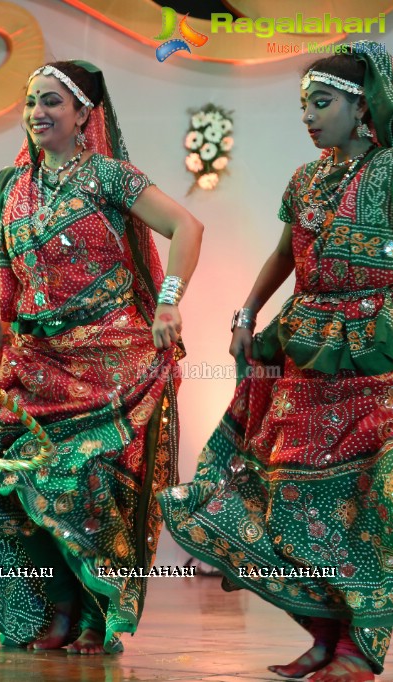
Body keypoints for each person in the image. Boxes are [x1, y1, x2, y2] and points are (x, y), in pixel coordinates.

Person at [0, 60, 204, 655]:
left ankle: (100, 612)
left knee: (79, 479)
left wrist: (168, 305)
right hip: (33, 362)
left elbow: (187, 226)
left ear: (83, 114)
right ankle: (51, 600)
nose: (37, 113)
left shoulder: (109, 176)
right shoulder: (12, 186)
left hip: (111, 361)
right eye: (29, 103)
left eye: (51, 101)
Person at [159, 42, 393, 681]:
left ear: (360, 103)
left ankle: (358, 649)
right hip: (304, 351)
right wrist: (246, 312)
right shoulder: (306, 178)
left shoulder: (392, 171)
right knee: (285, 492)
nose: (309, 117)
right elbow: (286, 252)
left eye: (321, 103)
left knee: (358, 502)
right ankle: (322, 634)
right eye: (304, 106)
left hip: (371, 358)